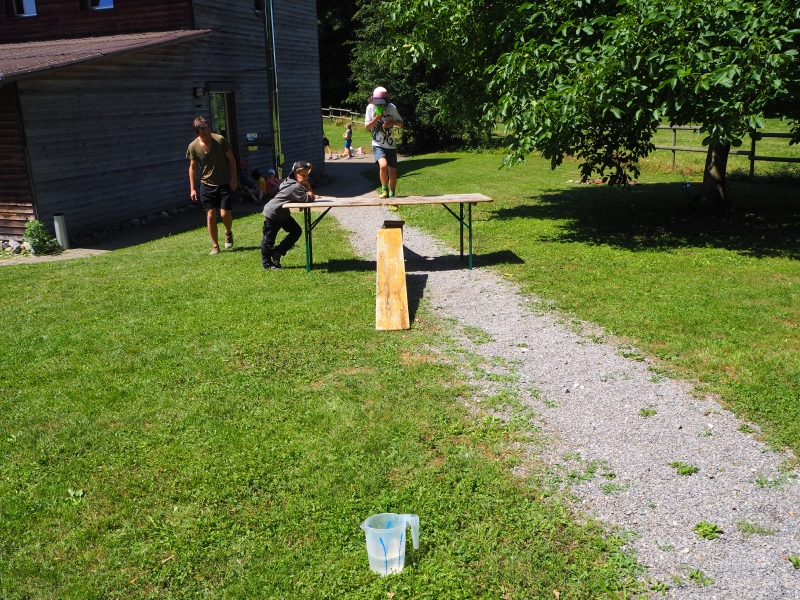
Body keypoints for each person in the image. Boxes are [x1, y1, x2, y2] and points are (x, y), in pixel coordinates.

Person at [187, 116, 237, 254]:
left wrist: (234, 179)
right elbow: (193, 168)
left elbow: (231, 159)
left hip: (224, 182)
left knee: (225, 214)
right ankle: (215, 246)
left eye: (209, 131)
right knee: (210, 215)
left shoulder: (220, 140)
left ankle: (228, 232)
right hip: (206, 185)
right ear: (197, 134)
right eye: (204, 134)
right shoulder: (193, 147)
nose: (208, 135)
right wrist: (192, 188)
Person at [260, 161, 320, 270]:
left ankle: (277, 252)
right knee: (268, 239)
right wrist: (308, 185)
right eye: (303, 175)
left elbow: (273, 192)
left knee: (296, 231)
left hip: (282, 213)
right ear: (295, 173)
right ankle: (267, 264)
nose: (306, 178)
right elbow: (309, 198)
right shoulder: (296, 186)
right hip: (274, 213)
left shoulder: (288, 180)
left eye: (307, 175)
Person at [364, 86, 403, 198]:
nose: (380, 105)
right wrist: (377, 118)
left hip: (391, 145)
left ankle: (392, 195)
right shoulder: (370, 108)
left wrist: (391, 123)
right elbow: (367, 127)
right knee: (383, 165)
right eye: (377, 103)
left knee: (393, 173)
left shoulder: (391, 107)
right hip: (378, 144)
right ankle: (384, 189)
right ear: (373, 99)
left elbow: (400, 122)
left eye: (382, 103)